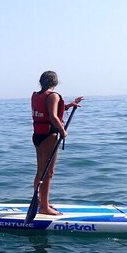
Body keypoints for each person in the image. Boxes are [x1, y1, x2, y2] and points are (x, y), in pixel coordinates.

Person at [31, 71, 83, 215]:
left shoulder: (37, 95)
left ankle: (40, 202)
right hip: (49, 136)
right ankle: (44, 207)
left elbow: (47, 111)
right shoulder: (53, 96)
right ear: (55, 82)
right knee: (48, 172)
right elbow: (53, 117)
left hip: (38, 135)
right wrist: (63, 131)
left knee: (41, 170)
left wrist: (67, 106)